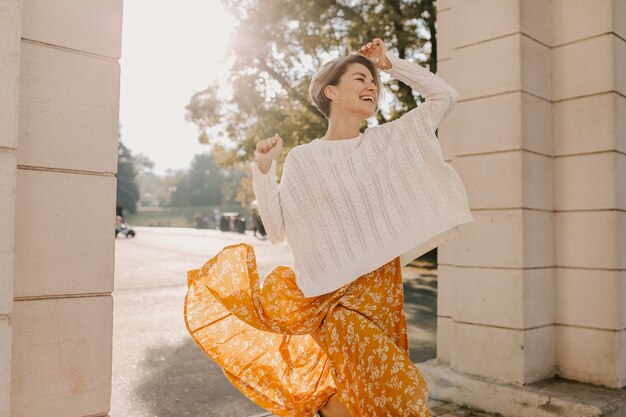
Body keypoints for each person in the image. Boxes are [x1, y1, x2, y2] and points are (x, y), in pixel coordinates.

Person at [184, 38, 474, 417]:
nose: (372, 86)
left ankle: (324, 412)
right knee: (401, 390)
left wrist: (390, 64)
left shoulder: (388, 141)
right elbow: (277, 230)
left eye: (375, 82)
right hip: (333, 299)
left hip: (381, 290)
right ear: (331, 91)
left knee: (366, 399)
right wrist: (265, 170)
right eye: (360, 78)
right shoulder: (305, 159)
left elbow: (445, 97)